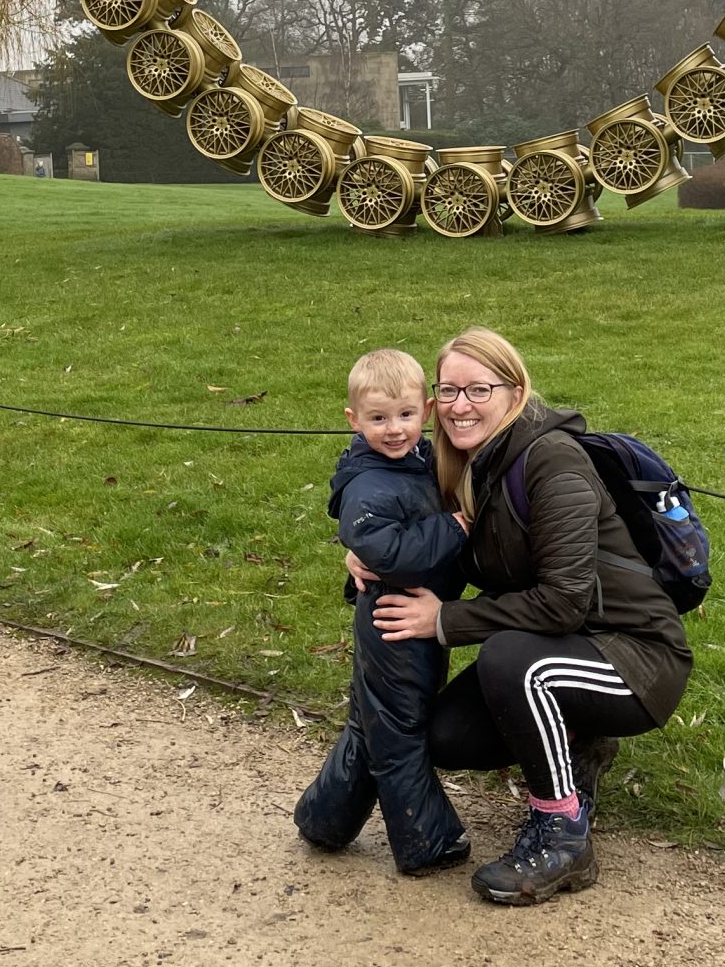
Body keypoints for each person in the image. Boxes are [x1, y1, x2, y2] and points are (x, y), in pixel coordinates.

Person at [370, 327, 693, 906]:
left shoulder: (552, 463)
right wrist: (367, 550)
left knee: (513, 661)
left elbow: (564, 600)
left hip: (638, 659)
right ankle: (581, 750)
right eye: (447, 391)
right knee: (447, 737)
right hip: (563, 645)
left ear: (515, 391)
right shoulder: (471, 466)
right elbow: (433, 544)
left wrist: (445, 620)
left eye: (478, 389)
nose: (460, 406)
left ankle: (563, 836)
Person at [293, 348, 471, 874]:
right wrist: (456, 526)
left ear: (428, 411)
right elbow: (387, 550)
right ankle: (426, 841)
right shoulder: (369, 483)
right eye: (378, 419)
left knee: (373, 723)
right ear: (354, 420)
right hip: (393, 621)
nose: (395, 429)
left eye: (406, 415)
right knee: (399, 728)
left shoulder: (417, 459)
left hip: (412, 616)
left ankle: (325, 817)